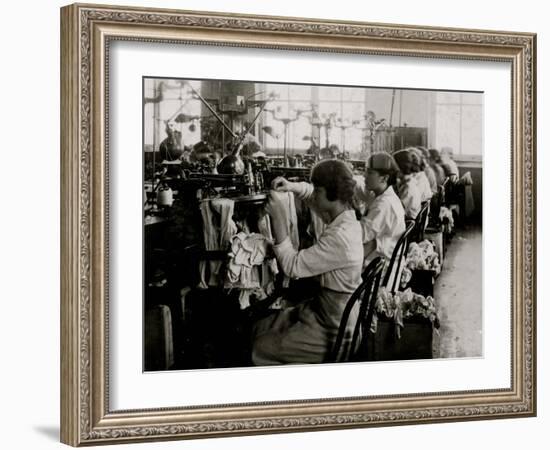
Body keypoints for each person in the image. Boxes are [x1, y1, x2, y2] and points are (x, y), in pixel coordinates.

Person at [251, 160, 364, 365]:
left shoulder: (340, 237)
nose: (313, 195)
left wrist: (278, 218)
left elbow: (292, 266)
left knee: (259, 348)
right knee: (261, 327)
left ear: (329, 193)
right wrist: (291, 186)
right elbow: (312, 195)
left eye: (317, 190)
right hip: (328, 313)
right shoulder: (345, 217)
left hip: (333, 329)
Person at [359, 153, 406, 267]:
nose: (364, 176)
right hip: (384, 259)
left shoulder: (383, 204)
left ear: (384, 178)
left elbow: (361, 236)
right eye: (365, 171)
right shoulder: (386, 196)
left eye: (370, 173)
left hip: (381, 269)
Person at [393, 149, 422, 219]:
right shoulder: (409, 182)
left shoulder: (408, 188)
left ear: (399, 168)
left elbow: (396, 212)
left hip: (407, 223)